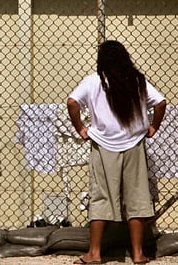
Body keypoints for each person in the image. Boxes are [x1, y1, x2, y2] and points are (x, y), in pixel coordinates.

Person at [66, 40, 167, 265]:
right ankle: (138, 253)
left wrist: (80, 129)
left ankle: (94, 253)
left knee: (101, 196)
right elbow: (160, 103)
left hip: (102, 145)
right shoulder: (137, 81)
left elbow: (72, 102)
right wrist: (153, 127)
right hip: (134, 144)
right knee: (137, 196)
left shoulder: (93, 81)